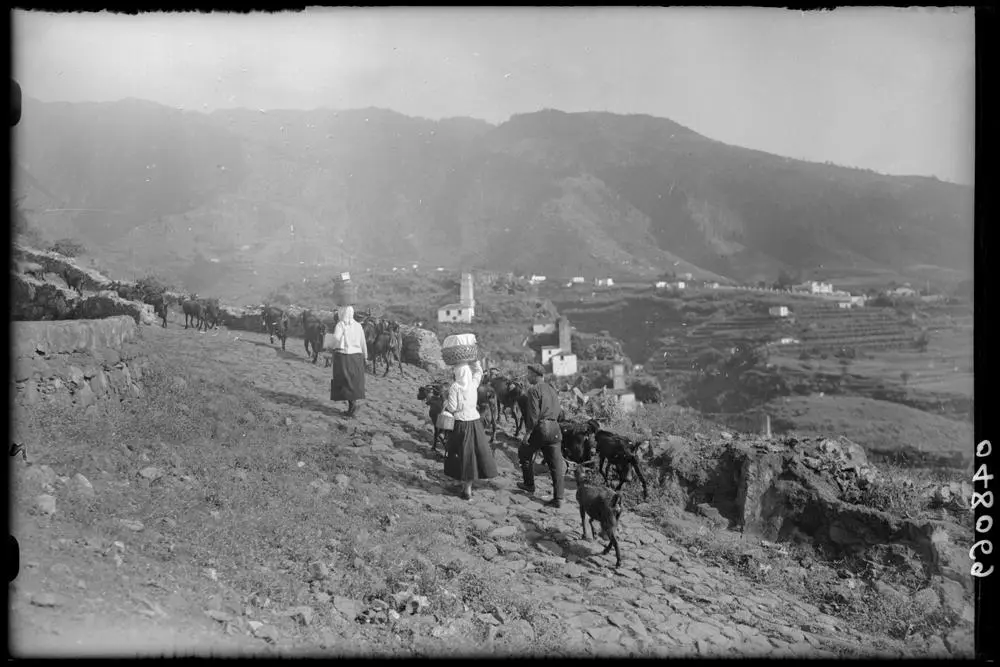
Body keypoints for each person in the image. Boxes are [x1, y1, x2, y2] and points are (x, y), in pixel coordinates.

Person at [443, 359, 498, 500]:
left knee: (459, 453)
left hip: (461, 424)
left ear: (457, 372)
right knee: (472, 454)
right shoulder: (473, 384)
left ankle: (462, 486)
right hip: (475, 423)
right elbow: (479, 372)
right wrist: (475, 361)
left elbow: (452, 408)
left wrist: (446, 403)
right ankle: (467, 487)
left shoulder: (455, 387)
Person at [517, 364, 566, 508]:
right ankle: (559, 498)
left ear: (535, 375)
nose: (527, 377)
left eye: (529, 374)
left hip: (542, 428)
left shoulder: (534, 390)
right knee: (556, 465)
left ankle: (529, 484)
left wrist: (528, 433)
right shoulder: (552, 389)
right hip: (555, 428)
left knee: (524, 452)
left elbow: (533, 415)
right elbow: (559, 412)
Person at [330, 305, 367, 417]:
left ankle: (353, 407)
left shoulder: (340, 325)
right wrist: (365, 356)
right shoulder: (358, 326)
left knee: (344, 382)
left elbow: (335, 341)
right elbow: (363, 342)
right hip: (357, 357)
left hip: (344, 357)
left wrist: (327, 344)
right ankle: (352, 407)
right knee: (353, 382)